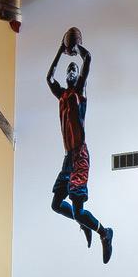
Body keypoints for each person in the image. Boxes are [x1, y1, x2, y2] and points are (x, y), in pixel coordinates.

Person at [47, 28, 114, 263]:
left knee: (78, 209)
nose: (72, 70)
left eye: (74, 68)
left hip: (80, 156)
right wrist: (60, 50)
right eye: (69, 69)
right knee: (56, 205)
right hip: (67, 158)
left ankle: (104, 233)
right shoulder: (63, 95)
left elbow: (88, 59)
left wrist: (76, 49)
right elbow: (48, 78)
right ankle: (81, 222)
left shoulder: (79, 92)